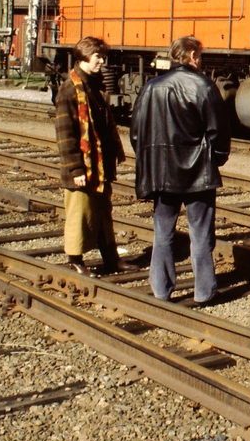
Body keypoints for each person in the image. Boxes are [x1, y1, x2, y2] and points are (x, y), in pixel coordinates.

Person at [129, 35, 231, 304]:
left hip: (162, 172)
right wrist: (217, 159)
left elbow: (137, 133)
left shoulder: (151, 87)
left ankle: (161, 290)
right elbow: (219, 131)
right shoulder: (204, 86)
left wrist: (150, 159)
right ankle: (204, 292)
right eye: (200, 56)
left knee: (163, 233)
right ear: (192, 56)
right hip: (198, 173)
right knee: (201, 234)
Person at [54, 36, 134, 277]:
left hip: (99, 165)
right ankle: (75, 259)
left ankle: (111, 259)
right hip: (83, 168)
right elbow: (65, 136)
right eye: (98, 57)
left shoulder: (94, 86)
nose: (102, 61)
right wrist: (76, 169)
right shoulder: (69, 90)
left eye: (103, 57)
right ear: (84, 57)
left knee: (102, 213)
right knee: (80, 214)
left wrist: (112, 154)